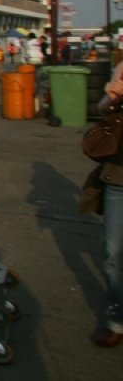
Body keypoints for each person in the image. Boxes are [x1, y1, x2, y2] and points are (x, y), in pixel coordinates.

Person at [94, 61, 123, 347]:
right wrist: (113, 95)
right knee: (113, 253)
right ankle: (116, 321)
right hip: (118, 177)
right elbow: (102, 111)